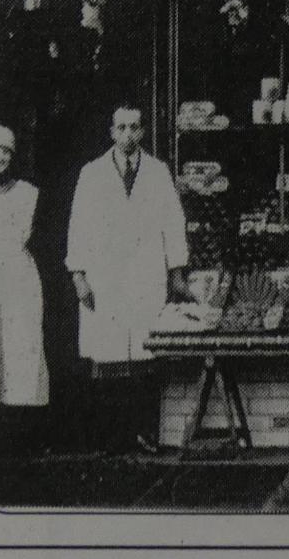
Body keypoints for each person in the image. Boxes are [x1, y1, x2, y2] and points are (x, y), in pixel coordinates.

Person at [66, 103, 189, 452]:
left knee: (145, 360)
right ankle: (111, 437)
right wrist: (79, 276)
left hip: (146, 276)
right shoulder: (91, 174)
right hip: (106, 277)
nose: (128, 135)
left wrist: (176, 273)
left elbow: (173, 224)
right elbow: (78, 226)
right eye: (121, 128)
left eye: (134, 127)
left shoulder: (158, 172)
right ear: (111, 132)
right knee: (108, 359)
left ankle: (145, 434)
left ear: (143, 131)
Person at [0, 126, 49, 455]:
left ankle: (21, 438)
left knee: (20, 351)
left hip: (18, 282)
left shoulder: (27, 193)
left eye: (5, 150)